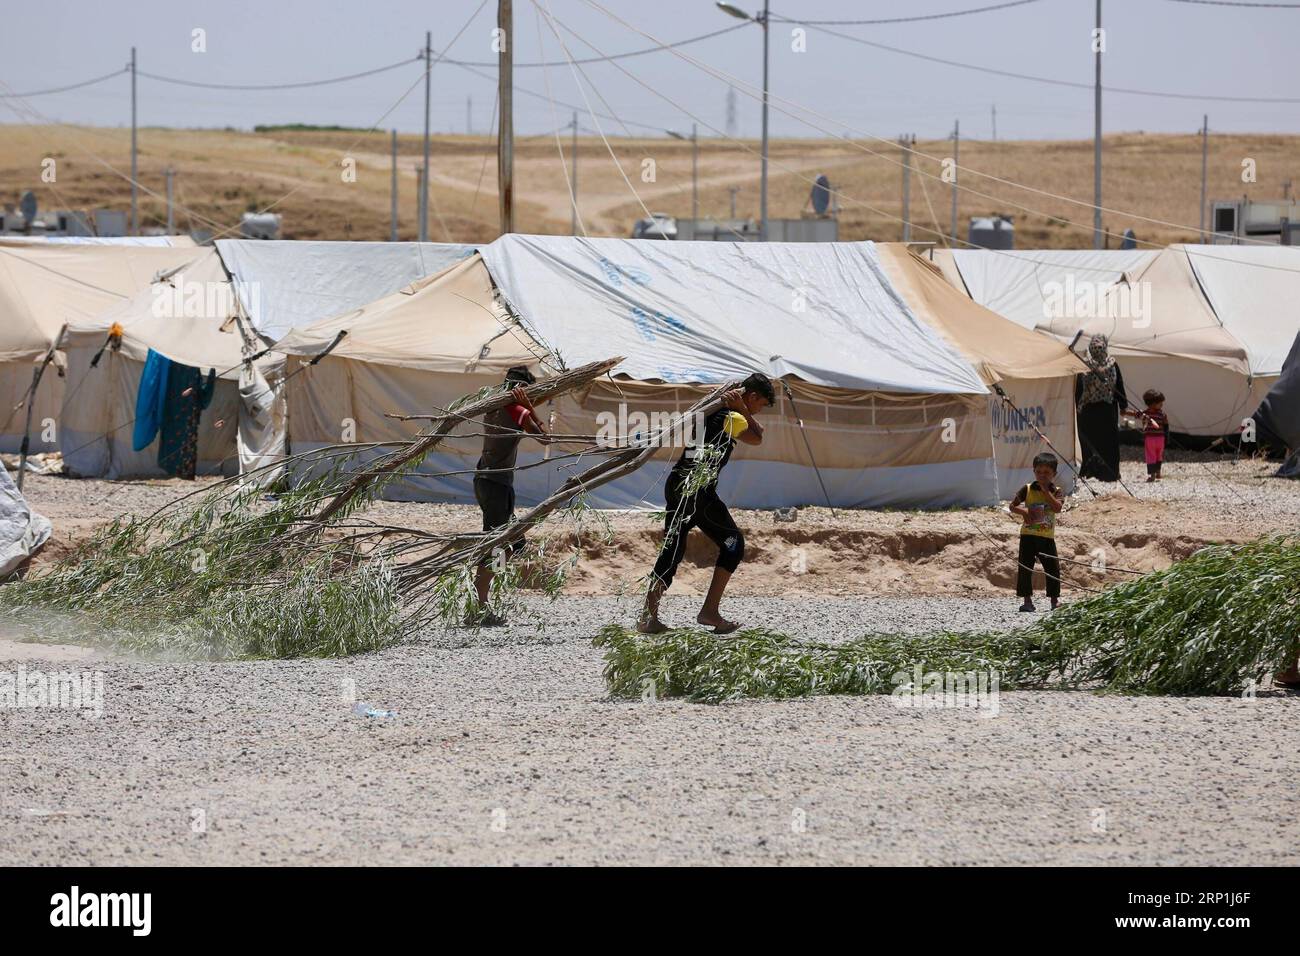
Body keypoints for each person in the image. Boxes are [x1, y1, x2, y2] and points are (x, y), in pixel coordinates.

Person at [639, 372, 774, 635]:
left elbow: (759, 430)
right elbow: (757, 437)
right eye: (761, 405)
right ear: (753, 396)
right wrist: (743, 410)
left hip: (680, 484)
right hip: (698, 493)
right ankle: (709, 612)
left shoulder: (712, 412)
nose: (760, 411)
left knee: (672, 551)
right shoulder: (732, 417)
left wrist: (742, 408)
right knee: (733, 545)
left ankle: (647, 617)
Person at [470, 365, 548, 626]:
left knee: (514, 544)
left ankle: (486, 593)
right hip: (497, 484)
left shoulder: (492, 405)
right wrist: (531, 409)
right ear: (521, 390)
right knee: (497, 545)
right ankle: (478, 607)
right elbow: (545, 438)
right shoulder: (517, 409)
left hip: (486, 480)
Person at [1008, 452, 1064, 612]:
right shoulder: (1027, 489)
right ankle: (1027, 601)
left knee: (1052, 569)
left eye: (1046, 473)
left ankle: (1054, 600)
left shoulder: (1057, 491)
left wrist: (1046, 492)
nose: (1042, 476)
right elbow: (1012, 506)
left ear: (1054, 474)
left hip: (1046, 537)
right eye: (1038, 472)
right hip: (1028, 536)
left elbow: (1057, 508)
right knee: (1025, 568)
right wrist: (1024, 512)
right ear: (1034, 471)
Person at [1075, 334, 1128, 482]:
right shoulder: (1111, 364)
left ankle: (1089, 470)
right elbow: (1119, 386)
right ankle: (1110, 472)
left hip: (1087, 411)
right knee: (1108, 442)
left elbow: (1078, 389)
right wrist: (1123, 405)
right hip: (1107, 409)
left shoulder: (1085, 365)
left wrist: (1075, 406)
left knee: (1089, 441)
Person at [1139, 388, 1168, 482]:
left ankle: (1153, 475)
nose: (1162, 405)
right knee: (1159, 455)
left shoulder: (1145, 414)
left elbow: (1136, 415)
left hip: (1150, 439)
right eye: (1160, 403)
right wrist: (1167, 437)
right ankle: (1158, 473)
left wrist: (1127, 412)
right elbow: (1166, 424)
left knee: (1151, 456)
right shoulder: (1162, 414)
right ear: (1152, 404)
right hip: (1160, 439)